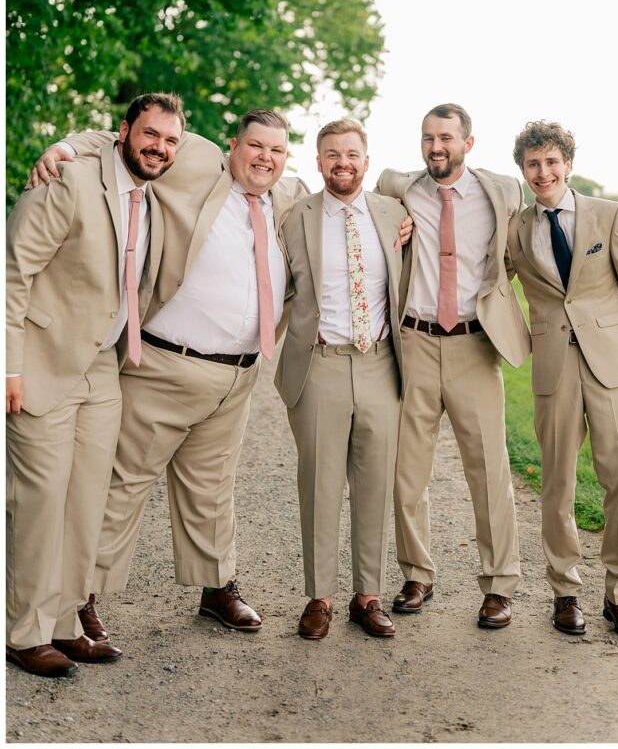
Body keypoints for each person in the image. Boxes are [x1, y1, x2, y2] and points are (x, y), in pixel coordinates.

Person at [29, 109, 309, 643]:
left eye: (276, 151)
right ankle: (79, 596)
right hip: (164, 364)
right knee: (121, 485)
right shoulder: (196, 159)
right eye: (254, 146)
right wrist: (65, 147)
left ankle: (216, 586)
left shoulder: (288, 195)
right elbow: (118, 138)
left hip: (236, 376)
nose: (264, 159)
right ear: (233, 144)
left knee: (212, 487)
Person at [6, 93, 184, 677]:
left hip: (104, 367)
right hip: (44, 360)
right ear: (124, 131)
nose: (159, 147)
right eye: (149, 134)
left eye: (170, 140)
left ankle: (61, 623)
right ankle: (21, 630)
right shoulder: (69, 179)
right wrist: (8, 366)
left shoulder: (157, 193)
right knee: (41, 501)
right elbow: (12, 271)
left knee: (86, 501)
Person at [508, 120, 618, 639]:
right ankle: (565, 592)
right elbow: (491, 286)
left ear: (568, 165)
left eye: (551, 162)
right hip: (553, 365)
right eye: (533, 164)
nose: (543, 172)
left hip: (612, 363)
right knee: (557, 481)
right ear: (523, 170)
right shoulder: (515, 228)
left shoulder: (609, 215)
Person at [375, 103, 531, 629]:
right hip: (414, 343)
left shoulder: (501, 192)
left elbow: (521, 251)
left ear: (468, 141)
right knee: (406, 472)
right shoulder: (400, 187)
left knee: (489, 470)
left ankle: (500, 585)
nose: (435, 146)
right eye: (427, 137)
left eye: (445, 137)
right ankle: (417, 574)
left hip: (474, 346)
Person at [275, 119, 407, 639]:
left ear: (367, 160)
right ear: (318, 160)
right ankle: (319, 597)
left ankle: (368, 596)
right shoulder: (295, 216)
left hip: (379, 362)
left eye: (351, 153)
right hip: (320, 362)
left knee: (375, 483)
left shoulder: (394, 212)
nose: (342, 162)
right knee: (319, 484)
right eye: (332, 154)